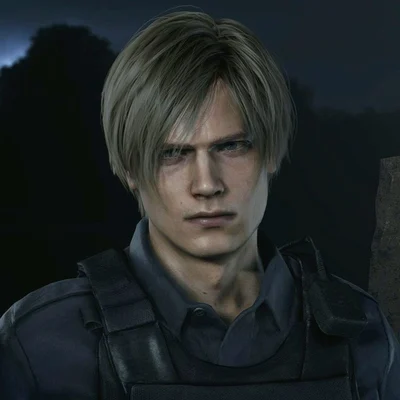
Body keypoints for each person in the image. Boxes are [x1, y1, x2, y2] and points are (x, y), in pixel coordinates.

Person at [0, 9, 399, 400]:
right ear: (131, 169)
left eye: (231, 146)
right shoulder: (39, 343)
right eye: (173, 153)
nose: (207, 184)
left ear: (271, 153)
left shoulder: (363, 332)